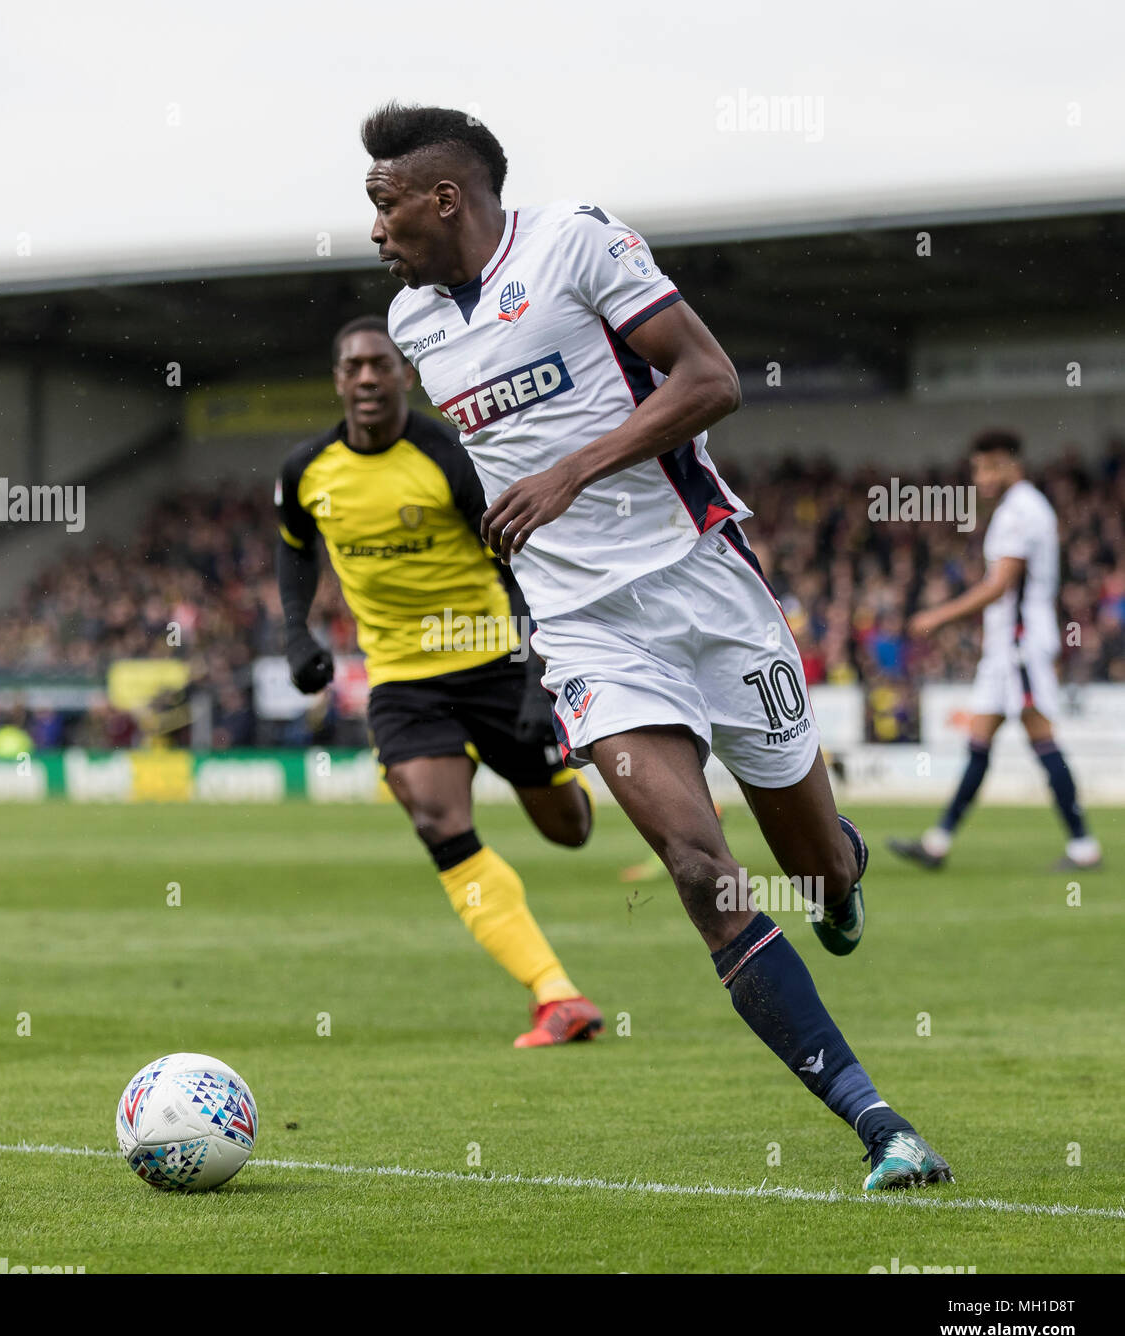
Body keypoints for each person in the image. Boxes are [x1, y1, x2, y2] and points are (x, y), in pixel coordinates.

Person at [360, 102, 951, 1189]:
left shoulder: (577, 239)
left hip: (704, 589)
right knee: (692, 860)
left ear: (445, 197)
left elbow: (709, 379)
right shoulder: (413, 325)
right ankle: (881, 1124)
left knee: (811, 867)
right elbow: (505, 471)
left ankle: (840, 863)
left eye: (383, 202)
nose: (373, 227)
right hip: (587, 630)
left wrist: (572, 471)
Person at [275, 315, 602, 1048]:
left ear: (406, 375)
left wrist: (530, 672)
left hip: (492, 662)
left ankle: (548, 777)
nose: (366, 378)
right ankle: (556, 993)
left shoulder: (448, 453)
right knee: (437, 820)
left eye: (380, 365)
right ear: (337, 380)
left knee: (570, 831)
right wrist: (295, 633)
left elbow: (512, 557)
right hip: (403, 682)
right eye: (352, 366)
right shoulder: (307, 470)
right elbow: (294, 548)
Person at [890, 429, 1101, 871]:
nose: (980, 478)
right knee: (980, 743)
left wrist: (937, 616)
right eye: (976, 469)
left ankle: (1084, 847)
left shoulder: (1021, 511)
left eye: (987, 467)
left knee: (1041, 738)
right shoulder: (1022, 508)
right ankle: (938, 843)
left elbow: (1000, 584)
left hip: (1019, 648)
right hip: (1008, 649)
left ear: (1010, 463)